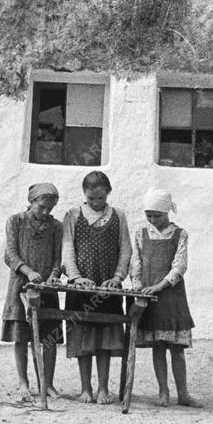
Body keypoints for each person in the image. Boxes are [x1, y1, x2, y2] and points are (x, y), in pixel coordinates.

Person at [62, 171, 132, 404]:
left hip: (107, 287)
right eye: (91, 198)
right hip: (81, 289)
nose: (95, 202)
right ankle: (86, 388)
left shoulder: (118, 216)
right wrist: (76, 278)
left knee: (104, 339)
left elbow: (125, 249)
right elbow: (67, 249)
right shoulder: (73, 215)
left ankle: (103, 388)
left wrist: (117, 277)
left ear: (108, 193)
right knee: (83, 338)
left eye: (100, 198)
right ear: (85, 194)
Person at [130, 188, 200, 407]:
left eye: (157, 216)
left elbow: (180, 266)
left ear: (167, 212)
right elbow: (136, 262)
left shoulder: (180, 234)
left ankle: (183, 393)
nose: (152, 220)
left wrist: (160, 286)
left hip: (172, 296)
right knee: (158, 347)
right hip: (150, 297)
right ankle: (163, 391)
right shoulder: (140, 233)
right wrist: (138, 286)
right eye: (149, 215)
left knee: (176, 349)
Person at [1, 182, 64, 401]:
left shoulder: (56, 227)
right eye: (41, 207)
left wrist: (54, 275)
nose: (45, 212)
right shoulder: (16, 222)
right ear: (31, 201)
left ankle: (47, 383)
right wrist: (27, 271)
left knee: (49, 338)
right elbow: (10, 254)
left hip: (46, 288)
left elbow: (57, 258)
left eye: (50, 208)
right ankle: (23, 383)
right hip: (21, 285)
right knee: (21, 336)